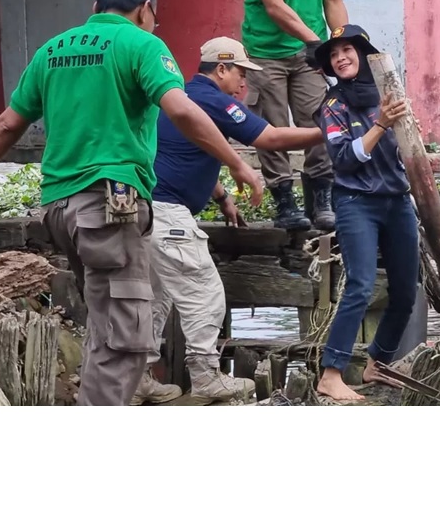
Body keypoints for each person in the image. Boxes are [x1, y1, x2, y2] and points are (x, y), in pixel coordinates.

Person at [0, 0, 263, 407]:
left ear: (95, 9)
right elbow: (180, 111)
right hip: (110, 204)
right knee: (127, 337)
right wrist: (237, 162)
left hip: (59, 207)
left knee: (106, 326)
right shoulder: (142, 45)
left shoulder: (53, 49)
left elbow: (8, 122)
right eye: (153, 15)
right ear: (146, 10)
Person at [134, 37, 327, 405]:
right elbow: (270, 138)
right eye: (240, 73)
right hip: (169, 214)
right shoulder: (211, 99)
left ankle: (138, 377)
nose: (244, 84)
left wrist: (222, 197)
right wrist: (331, 133)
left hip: (146, 212)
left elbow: (186, 152)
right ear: (220, 69)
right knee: (204, 294)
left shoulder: (176, 96)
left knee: (153, 298)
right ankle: (206, 377)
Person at [308, 25, 418, 402]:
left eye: (348, 49)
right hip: (356, 202)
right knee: (361, 285)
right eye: (334, 54)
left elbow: (410, 143)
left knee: (407, 289)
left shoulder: (388, 96)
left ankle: (379, 362)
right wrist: (381, 124)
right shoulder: (332, 106)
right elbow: (344, 160)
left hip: (398, 201)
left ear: (364, 54)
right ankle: (331, 373)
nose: (341, 57)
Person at [242, 0, 348, 232]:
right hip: (266, 53)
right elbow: (275, 6)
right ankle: (284, 202)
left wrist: (339, 40)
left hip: (309, 53)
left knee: (318, 119)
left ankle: (321, 199)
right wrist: (314, 41)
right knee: (272, 129)